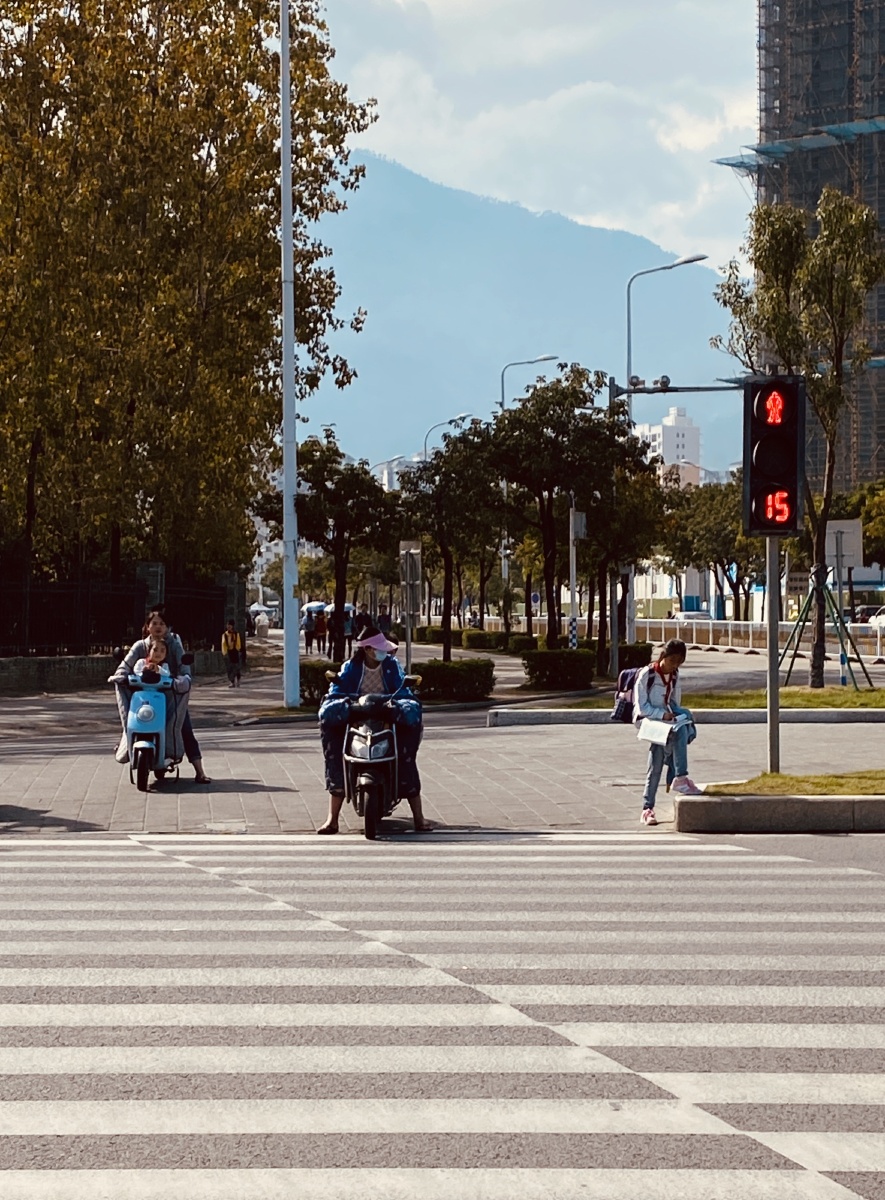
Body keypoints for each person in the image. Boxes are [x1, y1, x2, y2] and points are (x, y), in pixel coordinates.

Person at [316, 627, 430, 835]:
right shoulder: (350, 668)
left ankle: (419, 818)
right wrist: (345, 705)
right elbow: (335, 693)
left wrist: (402, 706)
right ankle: (332, 820)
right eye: (379, 649)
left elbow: (404, 692)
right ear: (368, 650)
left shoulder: (392, 666)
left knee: (406, 758)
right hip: (357, 717)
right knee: (336, 755)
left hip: (386, 716)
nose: (383, 653)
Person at [111, 609, 211, 783]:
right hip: (142, 696)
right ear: (147, 626)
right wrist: (122, 677)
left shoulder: (174, 645)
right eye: (154, 623)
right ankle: (126, 747)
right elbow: (124, 666)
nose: (158, 627)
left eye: (162, 624)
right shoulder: (140, 647)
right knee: (131, 719)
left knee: (184, 728)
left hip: (169, 695)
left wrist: (182, 680)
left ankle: (199, 771)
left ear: (167, 627)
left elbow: (184, 669)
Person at [633, 638, 701, 826]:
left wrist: (680, 714)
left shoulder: (675, 675)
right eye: (672, 661)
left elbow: (674, 702)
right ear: (663, 656)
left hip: (667, 722)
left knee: (684, 729)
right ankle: (649, 807)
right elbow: (641, 708)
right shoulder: (647, 675)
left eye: (679, 662)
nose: (674, 666)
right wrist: (662, 715)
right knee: (656, 764)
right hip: (649, 721)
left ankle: (678, 777)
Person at [221, 619, 243, 688]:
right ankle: (232, 682)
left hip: (235, 652)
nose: (228, 627)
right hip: (229, 652)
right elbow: (223, 644)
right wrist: (224, 653)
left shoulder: (236, 634)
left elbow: (238, 643)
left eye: (230, 625)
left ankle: (238, 680)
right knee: (229, 668)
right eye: (228, 625)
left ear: (232, 626)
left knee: (236, 667)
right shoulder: (225, 635)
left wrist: (238, 650)